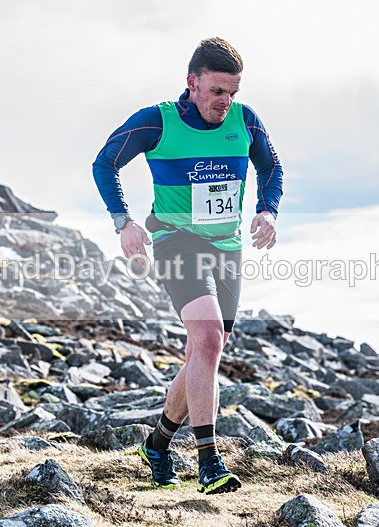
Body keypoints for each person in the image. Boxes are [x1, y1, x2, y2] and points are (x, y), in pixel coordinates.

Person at [92, 37, 283, 495]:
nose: (226, 102)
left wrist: (267, 209)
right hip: (176, 241)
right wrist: (124, 222)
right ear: (192, 83)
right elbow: (104, 164)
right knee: (209, 337)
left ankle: (156, 444)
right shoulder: (155, 121)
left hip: (227, 247)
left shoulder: (245, 121)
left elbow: (271, 167)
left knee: (206, 352)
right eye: (217, 91)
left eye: (232, 92)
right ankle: (209, 461)